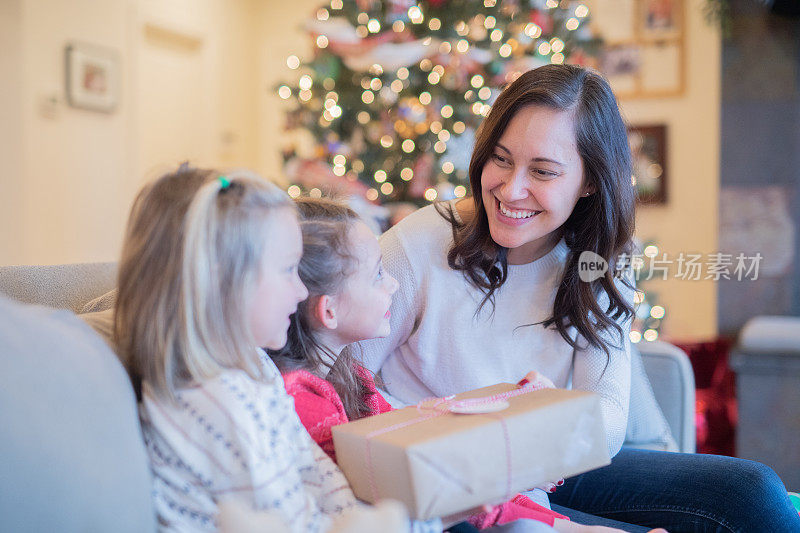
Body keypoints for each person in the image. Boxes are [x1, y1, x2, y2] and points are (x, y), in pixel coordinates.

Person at [350, 64, 800, 532]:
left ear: (589, 182)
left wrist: (542, 423)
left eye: (542, 171)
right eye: (500, 159)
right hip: (443, 478)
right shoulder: (419, 243)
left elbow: (605, 418)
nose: (510, 189)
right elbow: (341, 374)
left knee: (752, 494)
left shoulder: (600, 261)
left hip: (552, 464)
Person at [269, 197, 664, 533]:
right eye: (376, 276)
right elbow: (417, 492)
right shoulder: (303, 404)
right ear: (329, 310)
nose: (392, 283)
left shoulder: (350, 380)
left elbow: (447, 468)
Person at [112, 166, 432, 533]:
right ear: (226, 283)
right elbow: (290, 521)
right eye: (287, 271)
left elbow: (323, 481)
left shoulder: (256, 368)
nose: (300, 293)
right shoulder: (218, 402)